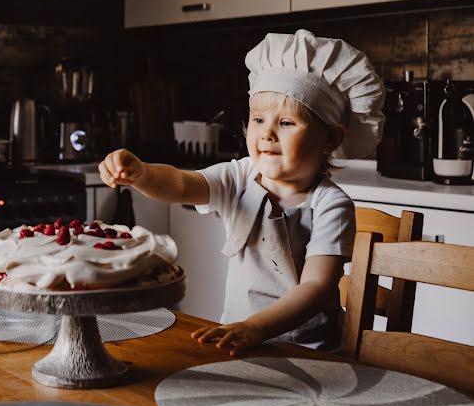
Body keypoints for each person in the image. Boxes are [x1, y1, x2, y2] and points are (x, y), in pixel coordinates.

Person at [99, 29, 386, 353]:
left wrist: (256, 328)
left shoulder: (331, 205)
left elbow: (316, 286)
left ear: (331, 139)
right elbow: (180, 184)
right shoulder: (239, 176)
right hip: (237, 338)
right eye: (259, 119)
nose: (268, 134)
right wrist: (141, 172)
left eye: (287, 123)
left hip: (308, 350)